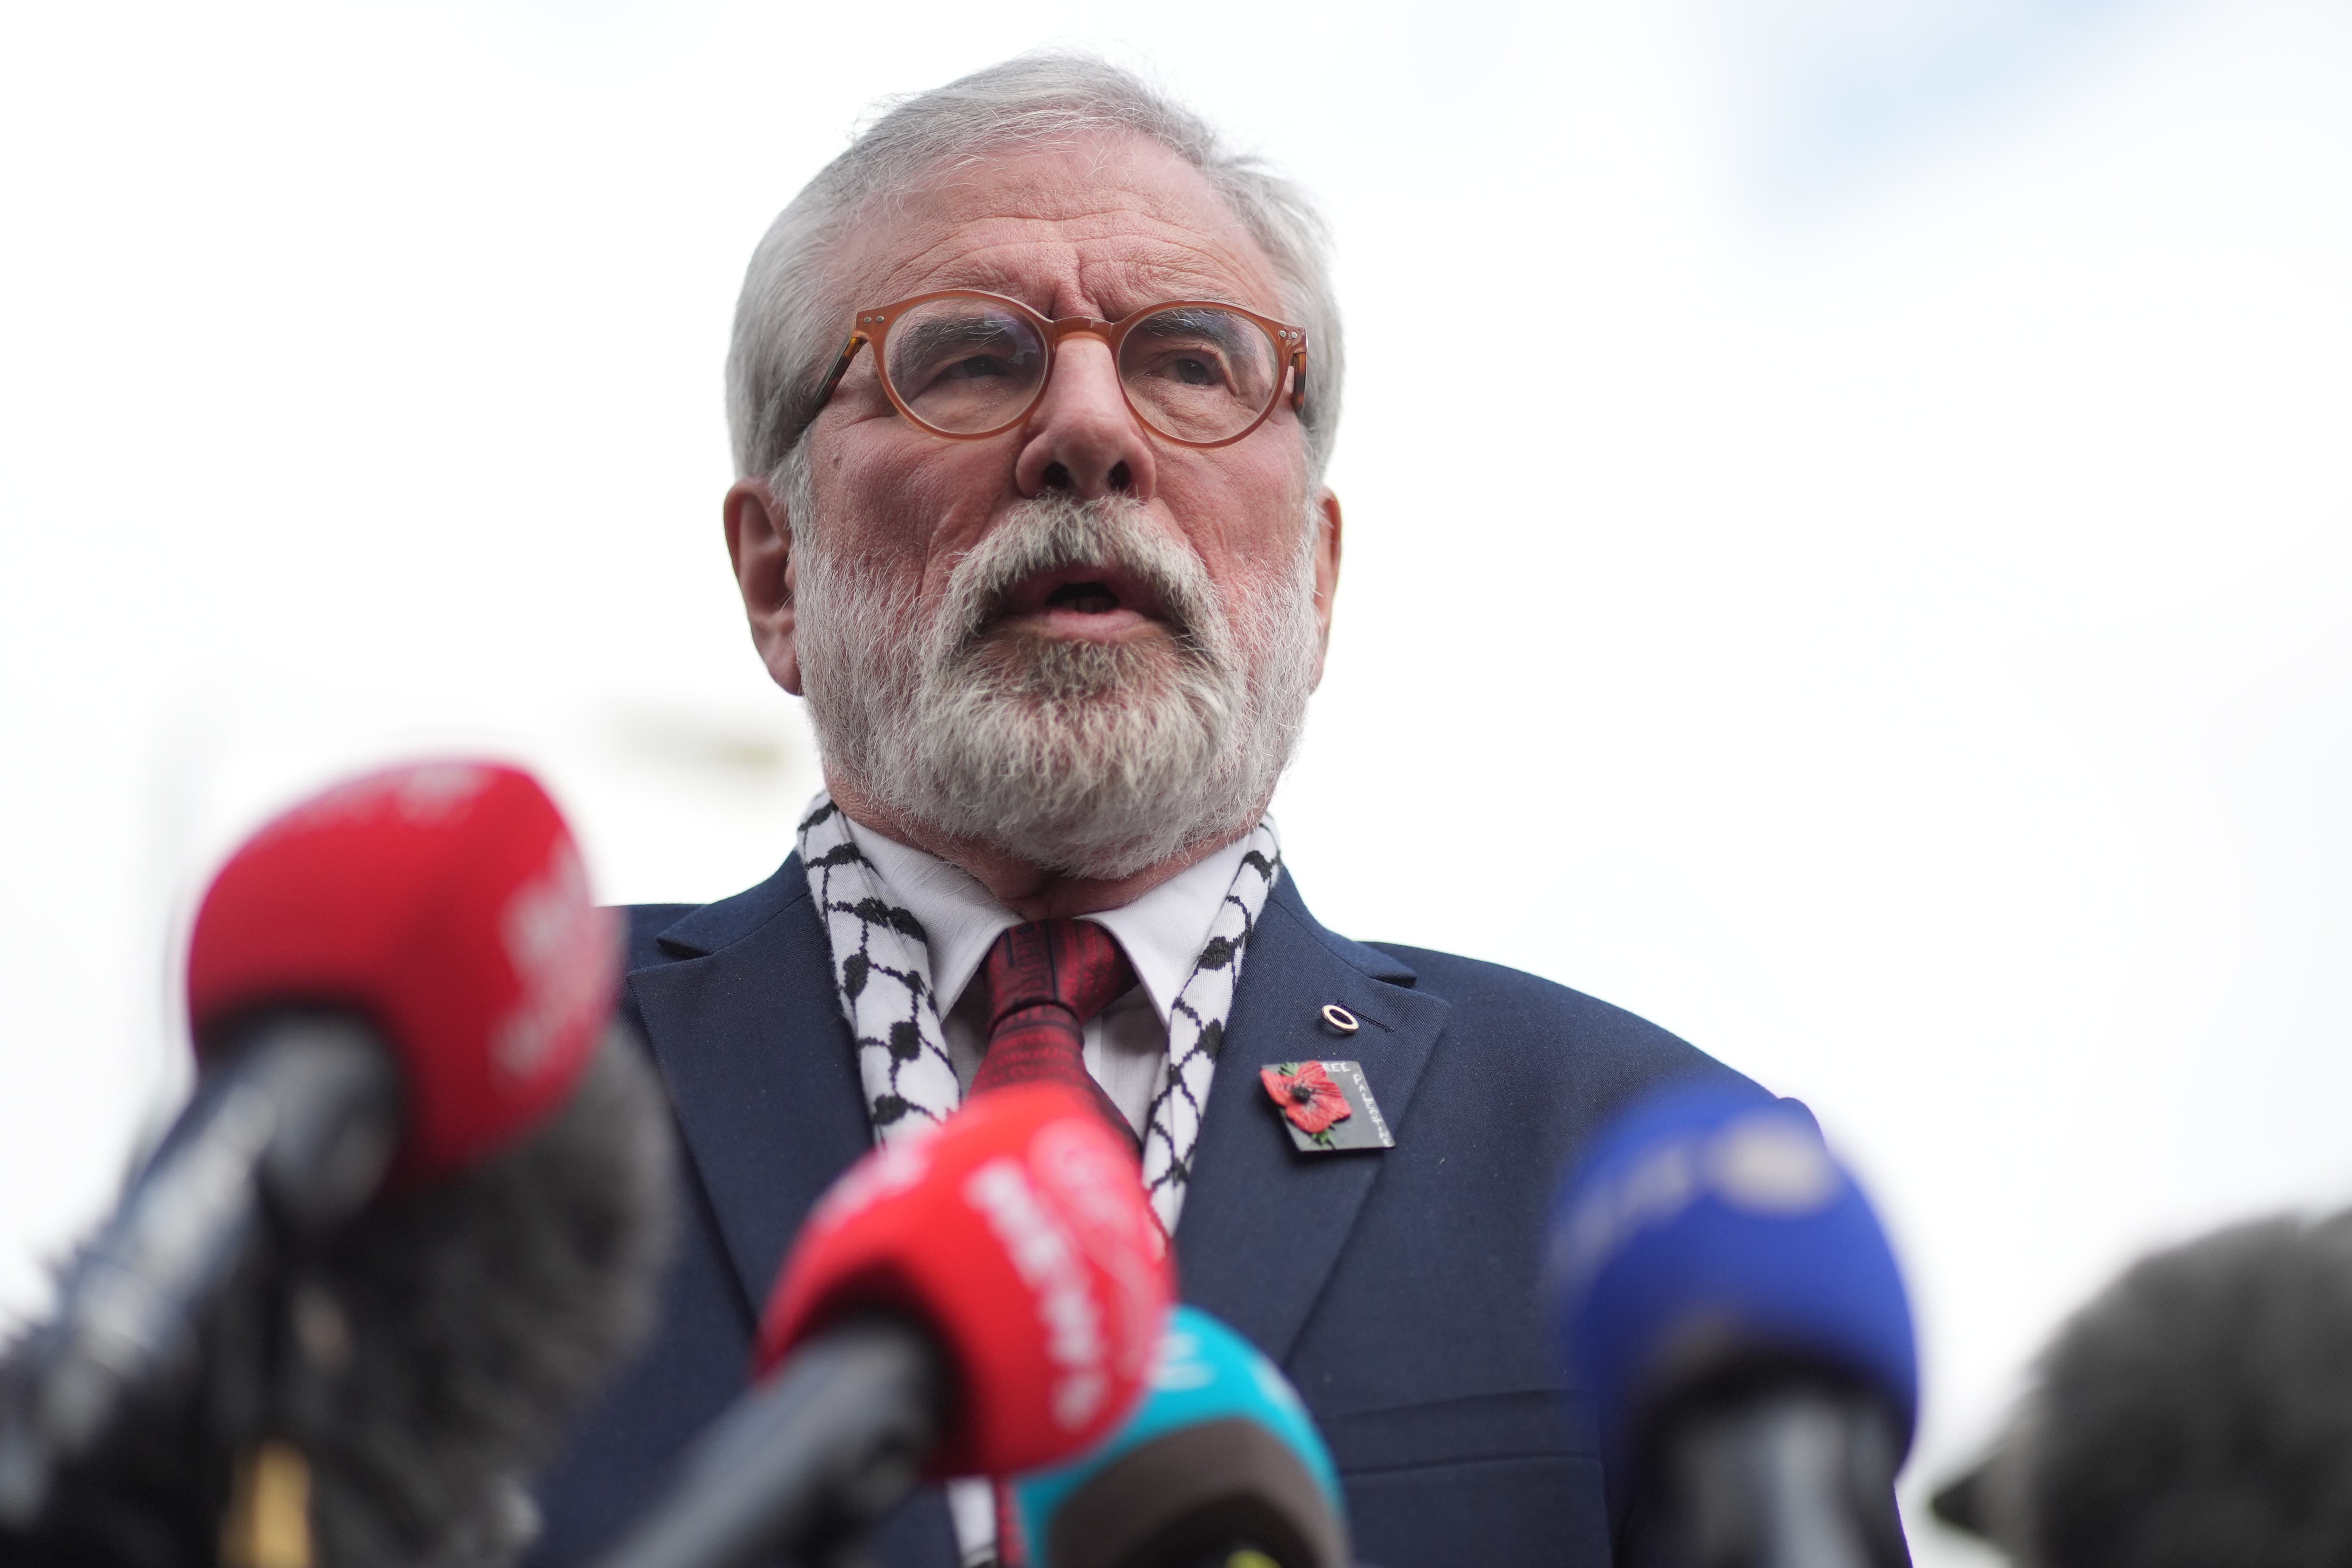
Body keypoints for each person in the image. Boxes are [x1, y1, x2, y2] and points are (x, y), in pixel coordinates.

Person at [531, 53, 1760, 1568]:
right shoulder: (462, 1113)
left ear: (1313, 578)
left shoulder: (1635, 1170)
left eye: (1191, 361)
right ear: (776, 574)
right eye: (970, 358)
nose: (1089, 430)